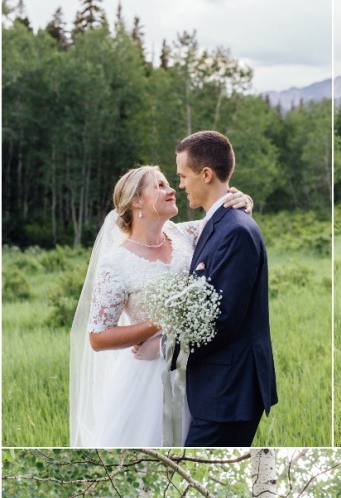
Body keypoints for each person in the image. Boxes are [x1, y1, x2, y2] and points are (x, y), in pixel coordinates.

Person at [68, 162, 255, 449]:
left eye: (169, 183)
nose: (173, 190)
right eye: (160, 186)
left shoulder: (185, 234)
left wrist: (243, 199)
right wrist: (160, 323)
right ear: (137, 201)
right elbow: (97, 337)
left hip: (196, 370)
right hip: (146, 380)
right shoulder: (116, 263)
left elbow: (225, 219)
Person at [175, 130, 278, 445]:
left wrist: (171, 347)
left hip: (229, 390)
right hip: (216, 387)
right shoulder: (215, 223)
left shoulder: (235, 230)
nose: (180, 185)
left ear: (206, 174)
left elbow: (224, 320)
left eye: (182, 176)